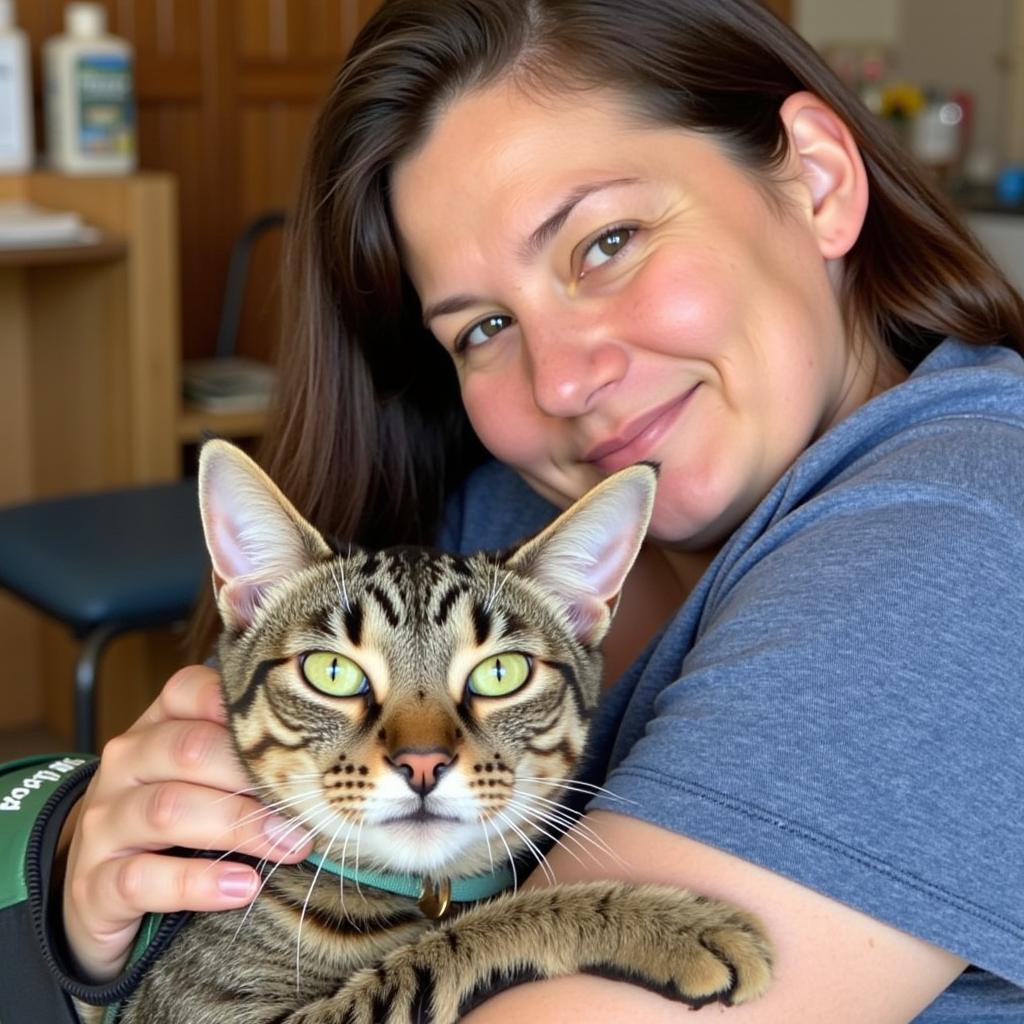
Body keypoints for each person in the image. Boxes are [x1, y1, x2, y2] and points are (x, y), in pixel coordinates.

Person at [13, 0, 1024, 1020]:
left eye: (606, 242)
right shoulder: (495, 508)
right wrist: (86, 893)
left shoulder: (958, 544)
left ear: (816, 179)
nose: (562, 382)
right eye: (484, 325)